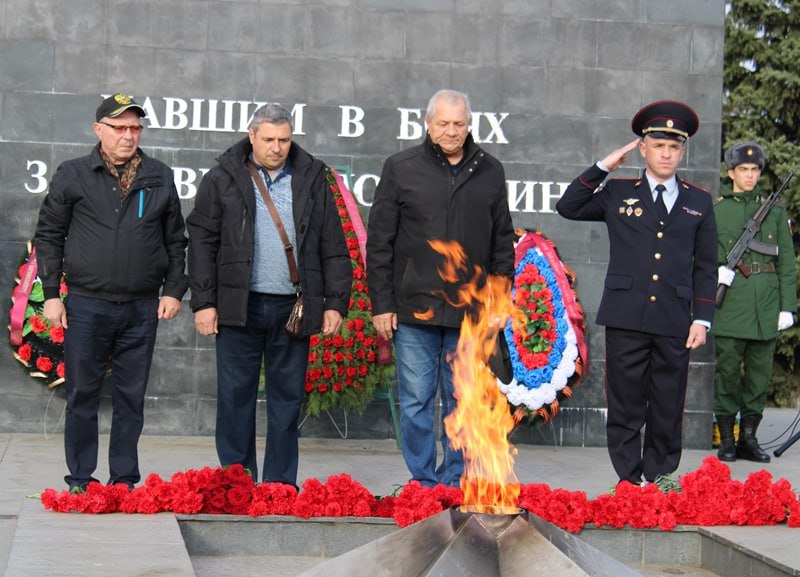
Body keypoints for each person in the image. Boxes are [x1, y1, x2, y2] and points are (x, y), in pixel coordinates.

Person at [186, 103, 351, 488]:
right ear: (252, 136)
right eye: (269, 139)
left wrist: (335, 303)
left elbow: (333, 244)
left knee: (287, 401)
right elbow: (202, 242)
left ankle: (279, 486)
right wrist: (204, 302)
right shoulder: (222, 177)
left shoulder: (312, 178)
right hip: (237, 306)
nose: (277, 147)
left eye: (284, 140)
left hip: (292, 309)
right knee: (234, 399)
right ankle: (237, 484)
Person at [556, 100, 718, 487]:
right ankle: (629, 481)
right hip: (626, 315)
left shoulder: (698, 200)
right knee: (625, 403)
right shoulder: (617, 192)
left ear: (682, 152)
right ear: (643, 148)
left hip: (674, 319)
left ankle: (659, 479)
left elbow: (706, 264)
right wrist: (603, 167)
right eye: (658, 145)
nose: (666, 153)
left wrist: (702, 318)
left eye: (674, 147)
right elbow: (568, 206)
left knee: (667, 403)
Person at [34, 92, 189, 492]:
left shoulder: (158, 175)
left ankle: (124, 479)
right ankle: (80, 479)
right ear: (98, 129)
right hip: (87, 305)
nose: (128, 135)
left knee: (130, 398)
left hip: (141, 307)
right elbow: (49, 234)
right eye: (119, 127)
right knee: (82, 394)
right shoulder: (73, 174)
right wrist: (51, 294)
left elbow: (175, 240)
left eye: (135, 128)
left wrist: (173, 290)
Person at [366, 89, 516, 488]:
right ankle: (423, 483)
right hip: (414, 310)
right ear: (428, 124)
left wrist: (500, 301)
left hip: (471, 314)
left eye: (459, 124)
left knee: (463, 401)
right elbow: (379, 242)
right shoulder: (400, 168)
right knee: (416, 402)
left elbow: (502, 243)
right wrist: (381, 303)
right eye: (444, 123)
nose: (451, 131)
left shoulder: (490, 171)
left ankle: (453, 483)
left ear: (470, 125)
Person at [713, 141, 797, 463]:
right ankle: (727, 441)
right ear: (731, 172)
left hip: (766, 308)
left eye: (754, 170)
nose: (749, 176)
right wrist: (716, 273)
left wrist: (788, 307)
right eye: (743, 170)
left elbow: (786, 264)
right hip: (731, 306)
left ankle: (748, 439)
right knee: (727, 375)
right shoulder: (718, 212)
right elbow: (701, 257)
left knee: (759, 378)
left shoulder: (775, 213)